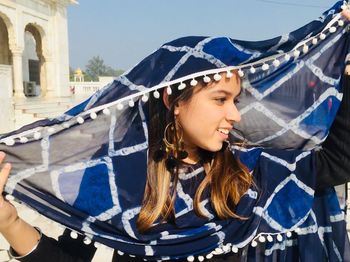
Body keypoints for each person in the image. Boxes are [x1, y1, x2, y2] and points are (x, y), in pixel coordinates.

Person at [1, 4, 350, 262]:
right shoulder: (115, 178)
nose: (234, 114)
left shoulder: (251, 171)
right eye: (220, 99)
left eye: (236, 100)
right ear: (174, 100)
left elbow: (338, 160)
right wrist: (10, 221)